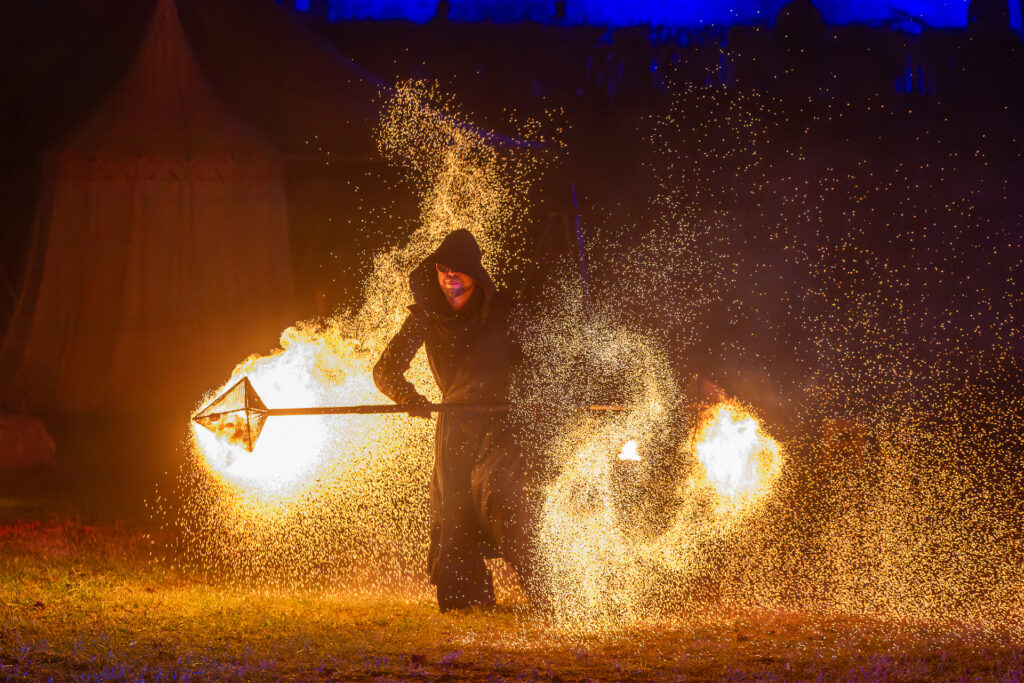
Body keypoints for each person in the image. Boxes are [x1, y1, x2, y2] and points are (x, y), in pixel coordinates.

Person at [373, 229, 529, 612]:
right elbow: (386, 370)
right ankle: (467, 602)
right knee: (455, 512)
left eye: (458, 269)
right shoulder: (426, 315)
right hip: (455, 426)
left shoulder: (502, 311)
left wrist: (530, 399)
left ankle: (551, 589)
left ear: (475, 273)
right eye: (443, 269)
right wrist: (410, 398)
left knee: (507, 498)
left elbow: (535, 360)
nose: (450, 277)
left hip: (502, 422)